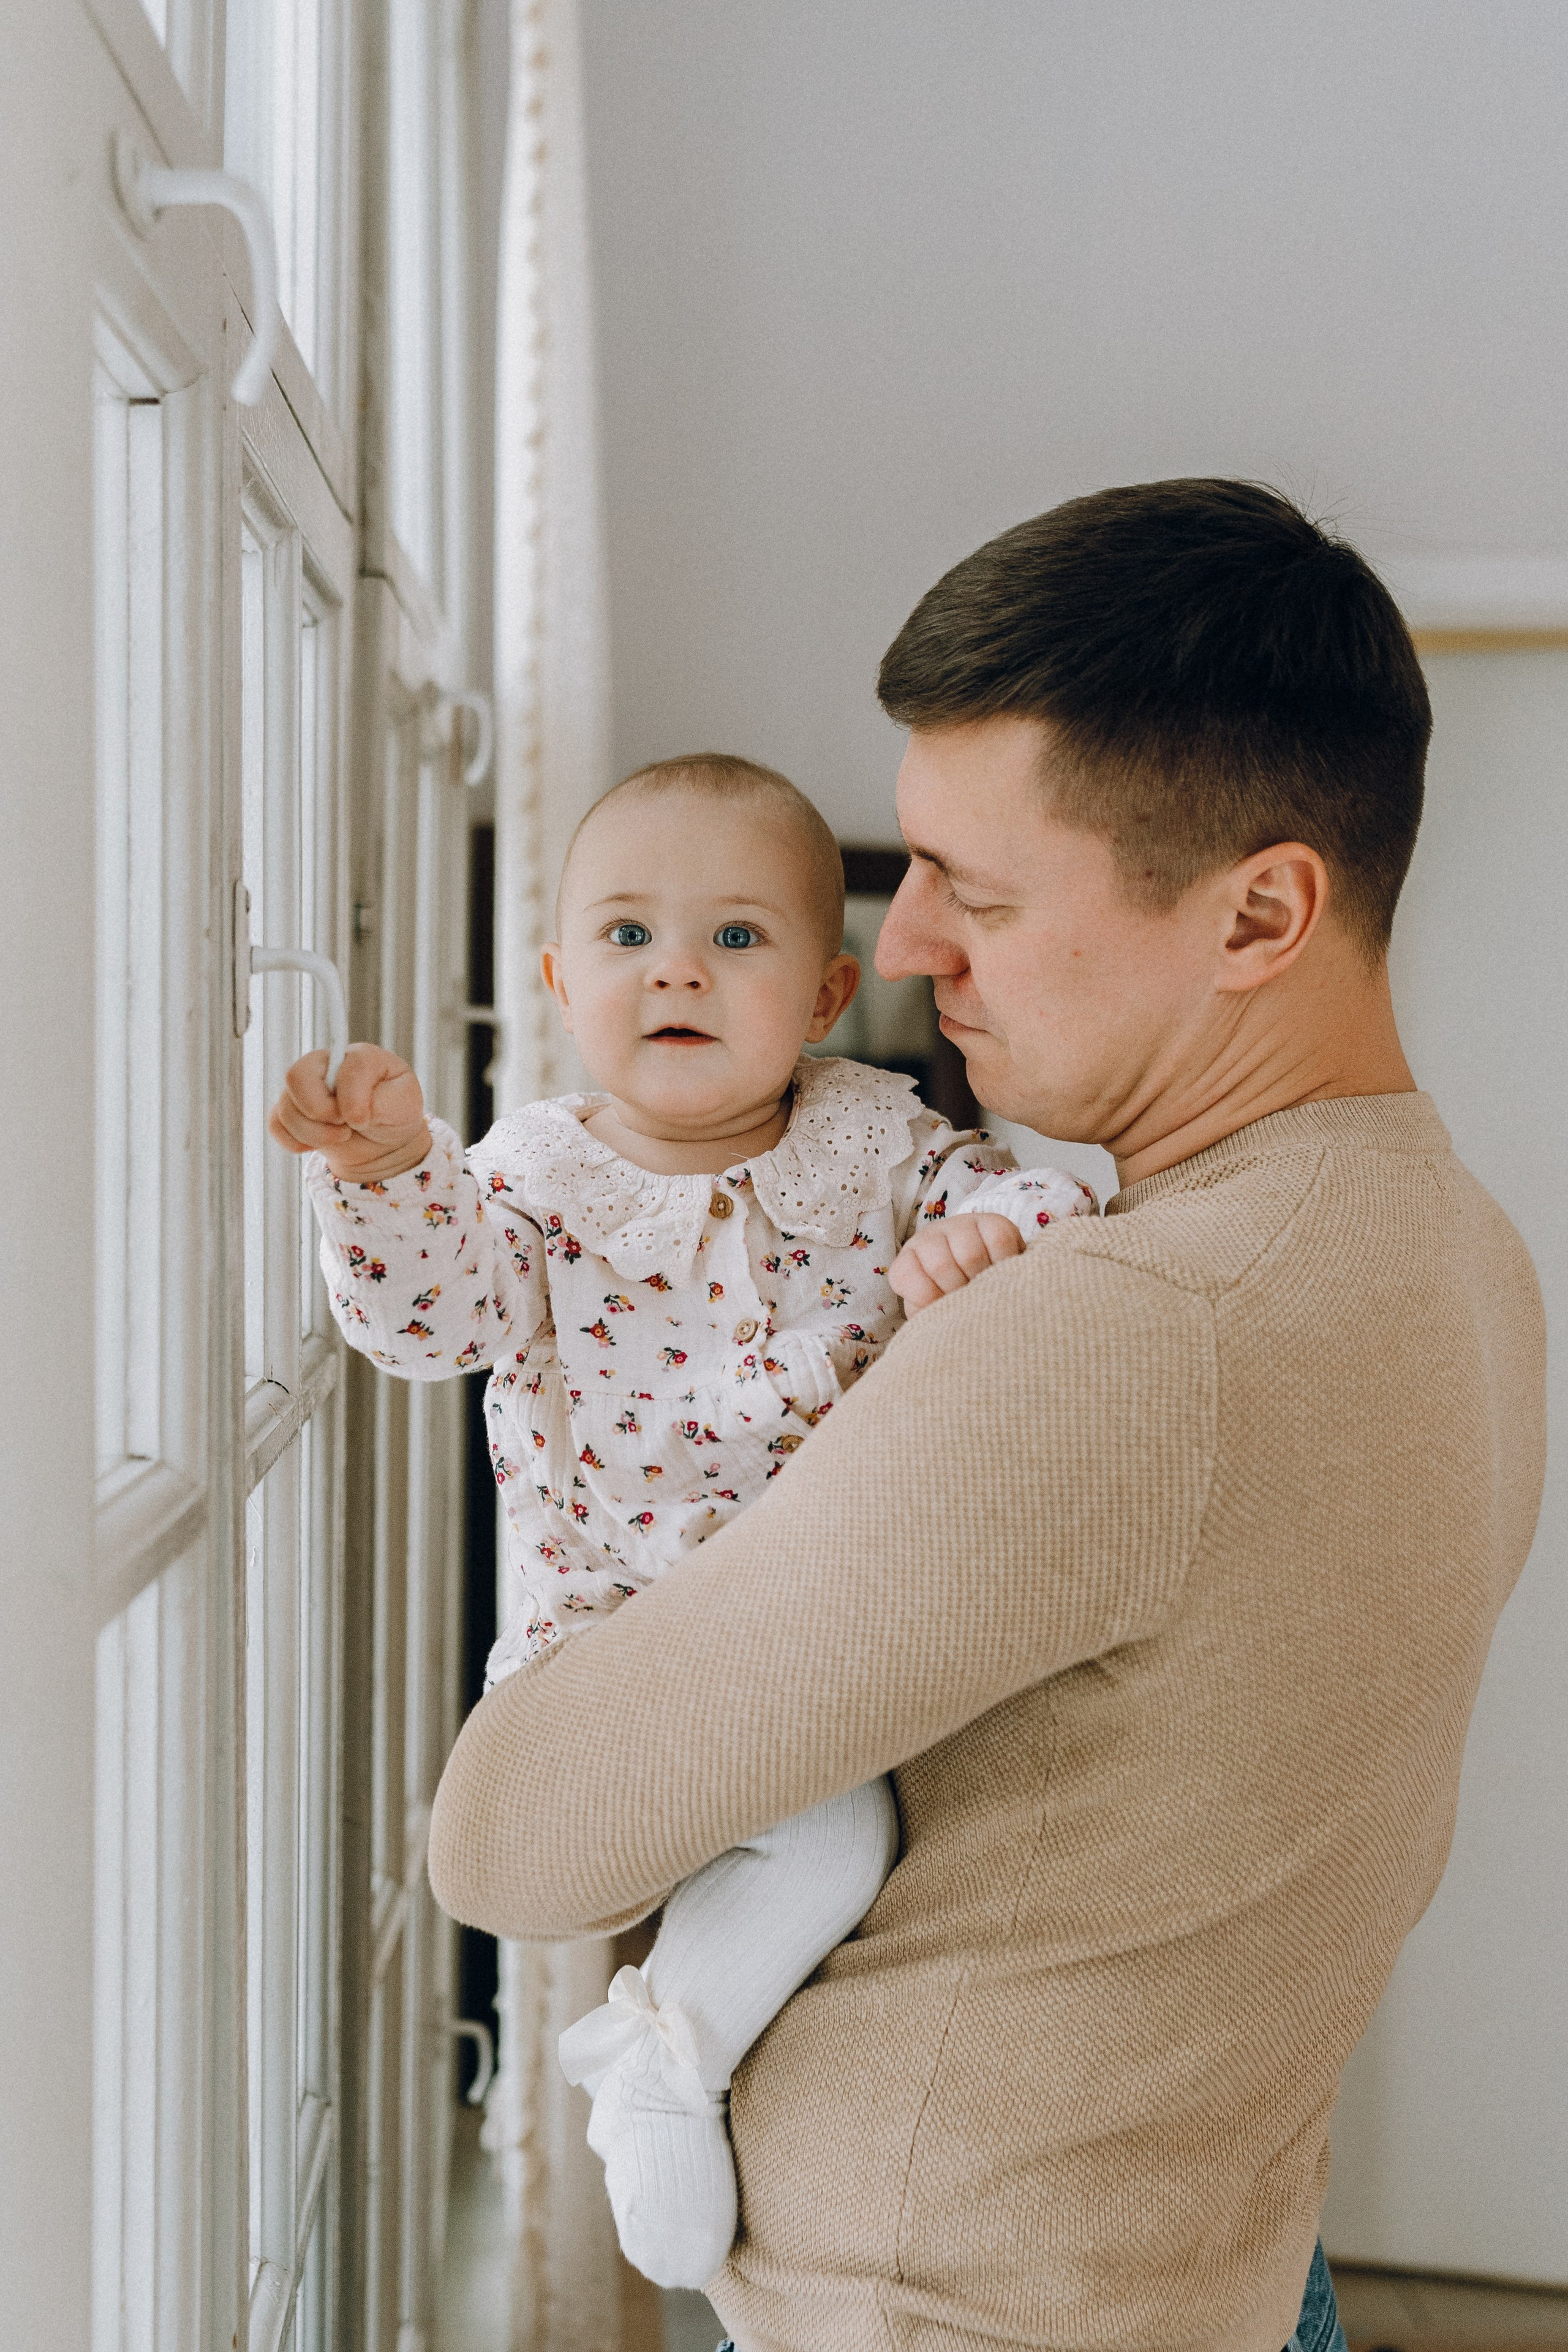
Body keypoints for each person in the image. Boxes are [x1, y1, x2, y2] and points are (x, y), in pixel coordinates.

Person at [426, 480, 1547, 2352]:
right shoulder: (1461, 1243)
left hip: (956, 2309)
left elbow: (513, 1845)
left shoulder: (1117, 1332)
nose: (909, 945)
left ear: (1262, 912)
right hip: (1218, 2262)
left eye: (982, 890)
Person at [268, 753, 1093, 2288]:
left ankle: (668, 2049)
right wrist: (383, 1172)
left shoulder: (877, 1145)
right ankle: (665, 2058)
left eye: (734, 937)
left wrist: (988, 1236)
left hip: (820, 1636)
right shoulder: (528, 1181)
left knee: (853, 1850)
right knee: (826, 1838)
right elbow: (428, 1325)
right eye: (629, 935)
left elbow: (1040, 1202)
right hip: (612, 1647)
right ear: (559, 981)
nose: (677, 972)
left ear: (826, 993)